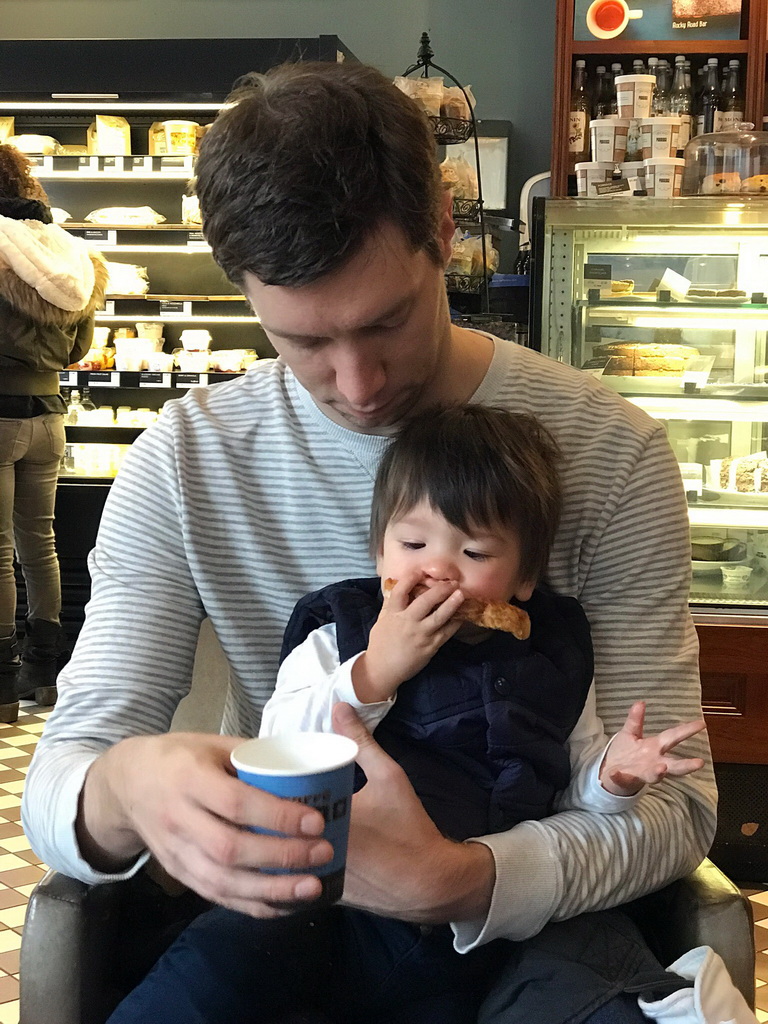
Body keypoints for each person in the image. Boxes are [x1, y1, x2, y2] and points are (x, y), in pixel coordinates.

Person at [22, 61, 716, 1023]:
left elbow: (678, 808)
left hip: (528, 938)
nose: (356, 386)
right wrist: (127, 788)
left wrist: (466, 880)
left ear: (442, 231)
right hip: (285, 927)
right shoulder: (182, 463)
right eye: (303, 341)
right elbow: (58, 785)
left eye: (386, 321)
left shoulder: (611, 453)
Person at [104, 404, 707, 1023]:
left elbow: (570, 779)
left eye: (473, 551)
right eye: (413, 542)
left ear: (525, 577)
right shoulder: (336, 635)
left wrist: (612, 778)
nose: (437, 567)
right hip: (338, 907)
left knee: (592, 974)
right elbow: (280, 745)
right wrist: (373, 672)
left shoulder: (553, 656)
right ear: (379, 552)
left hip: (504, 924)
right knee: (220, 961)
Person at [0, 143, 107, 719]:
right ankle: (45, 673)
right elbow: (82, 348)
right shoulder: (67, 253)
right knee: (39, 544)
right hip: (49, 415)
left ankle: (0, 684)